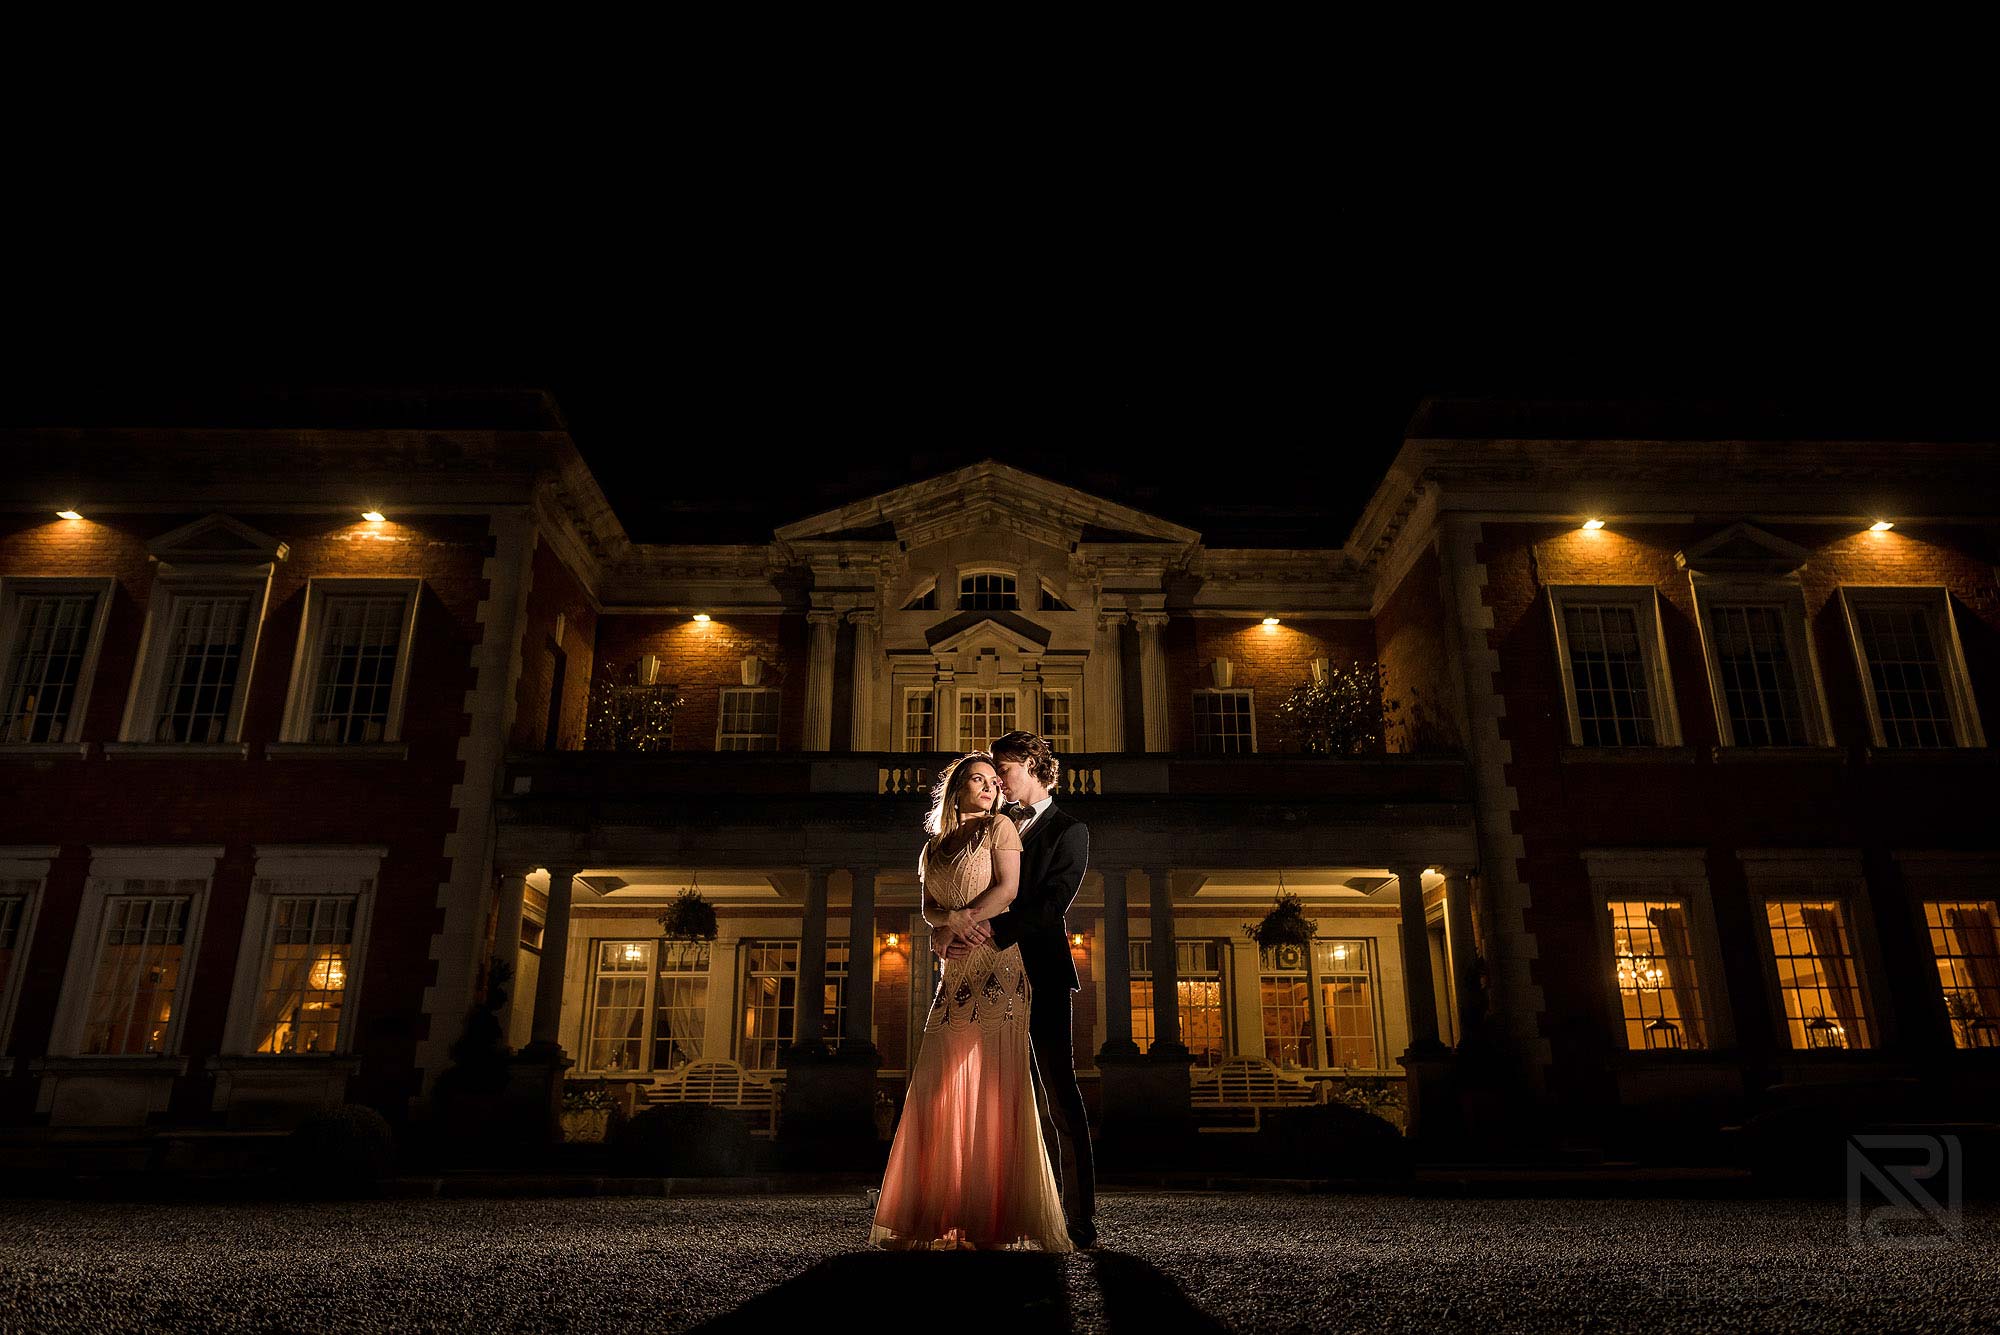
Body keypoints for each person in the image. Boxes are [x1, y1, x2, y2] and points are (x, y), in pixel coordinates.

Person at [868, 752, 1072, 1251]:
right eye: (977, 780)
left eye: (992, 781)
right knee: (937, 1083)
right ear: (956, 788)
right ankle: (935, 1212)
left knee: (996, 1085)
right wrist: (942, 931)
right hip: (955, 966)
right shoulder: (933, 846)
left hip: (998, 963)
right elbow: (927, 907)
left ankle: (996, 1220)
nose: (988, 787)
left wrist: (961, 924)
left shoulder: (1001, 828)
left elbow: (1008, 891)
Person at [945, 730, 1097, 1250]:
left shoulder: (1069, 831)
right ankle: (1021, 1216)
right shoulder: (993, 826)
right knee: (1005, 1098)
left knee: (1059, 1099)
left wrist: (989, 928)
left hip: (1042, 974)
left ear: (1033, 767)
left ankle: (1078, 1222)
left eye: (1004, 771)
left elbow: (1052, 904)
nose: (997, 782)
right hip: (990, 975)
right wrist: (953, 930)